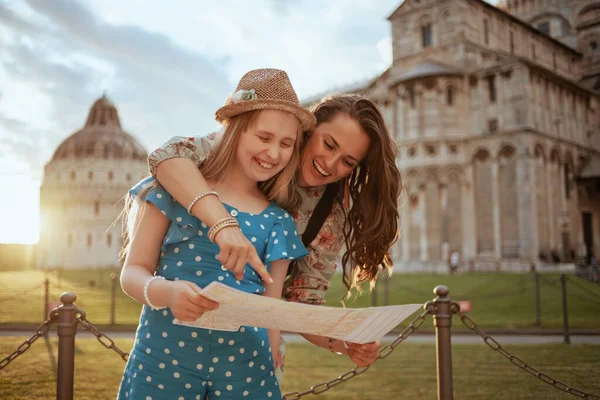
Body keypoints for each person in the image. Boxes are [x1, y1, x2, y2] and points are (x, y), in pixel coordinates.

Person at [147, 92, 403, 371]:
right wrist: (224, 225)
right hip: (176, 331)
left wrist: (343, 342)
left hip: (255, 347)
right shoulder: (255, 146)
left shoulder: (329, 212)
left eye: (348, 162)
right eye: (328, 144)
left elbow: (304, 300)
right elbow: (168, 155)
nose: (330, 164)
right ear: (307, 129)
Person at [117, 68, 313, 400]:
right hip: (162, 362)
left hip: (247, 371)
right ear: (234, 132)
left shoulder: (279, 220)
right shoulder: (174, 192)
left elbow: (272, 305)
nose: (275, 153)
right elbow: (132, 273)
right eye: (264, 138)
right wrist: (168, 293)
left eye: (286, 144)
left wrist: (274, 360)